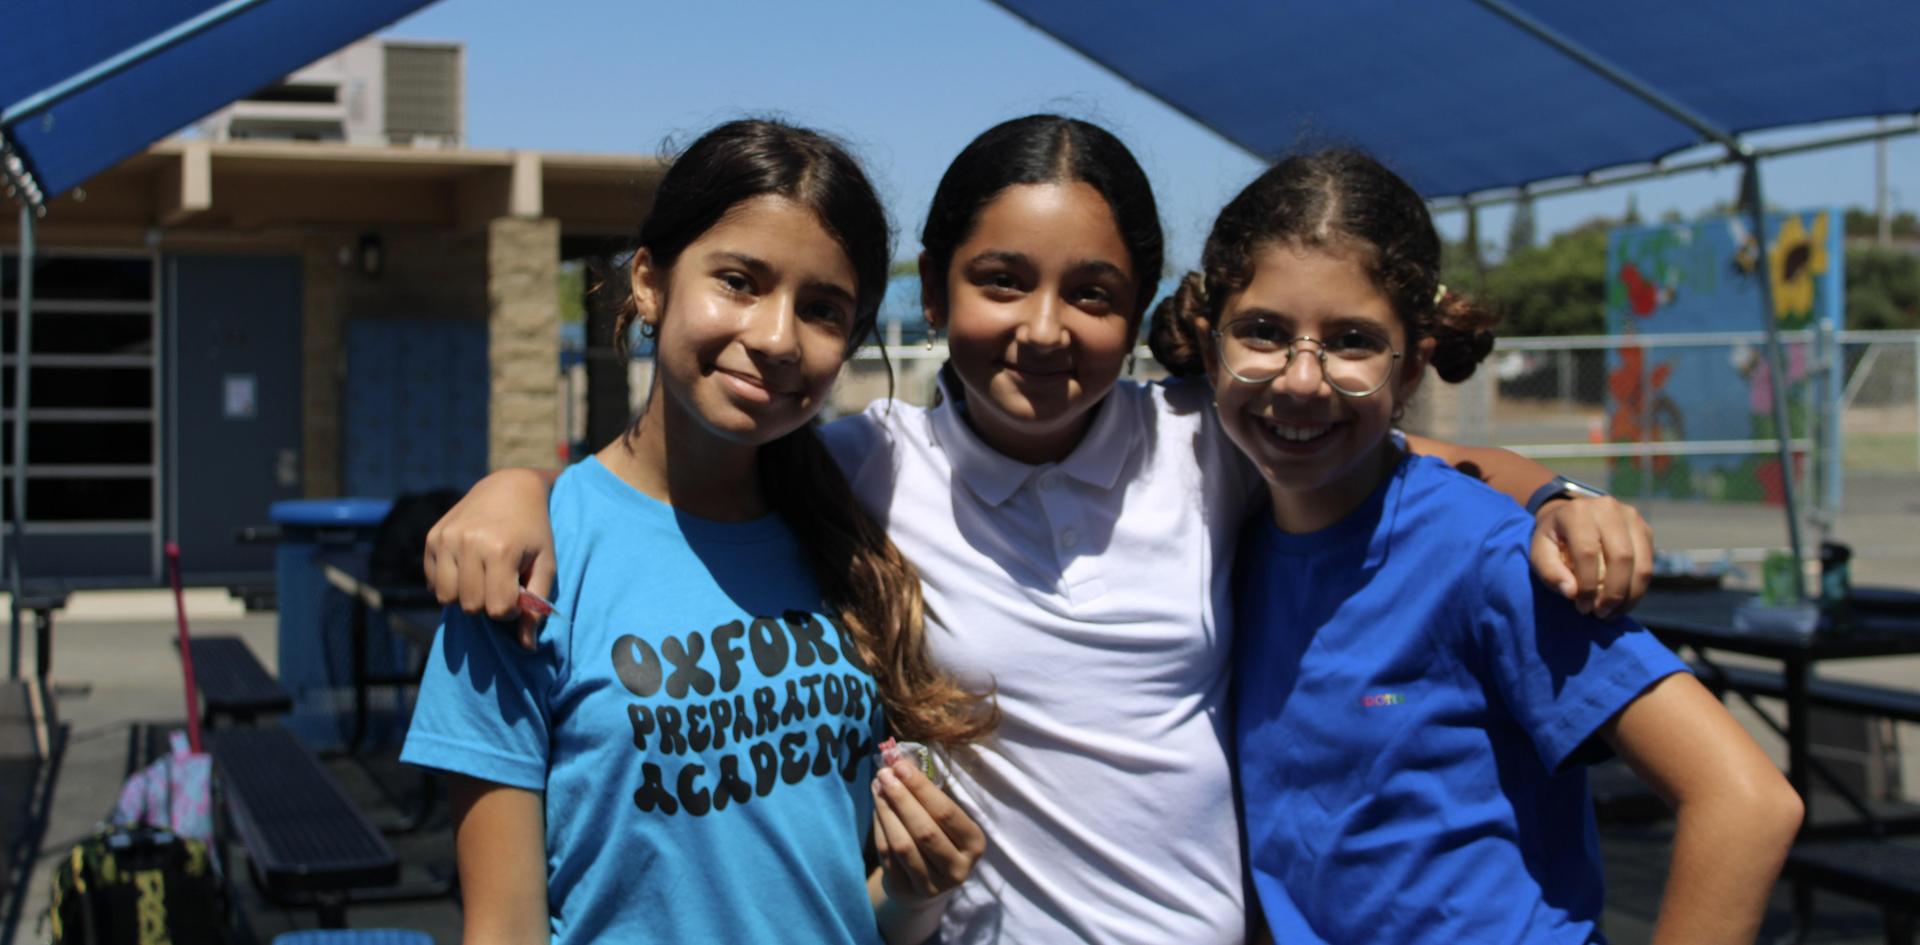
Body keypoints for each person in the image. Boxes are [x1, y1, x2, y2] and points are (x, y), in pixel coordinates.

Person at [420, 115, 1660, 944]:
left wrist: (1555, 496)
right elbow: (666, 484)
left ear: (1145, 312)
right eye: (1002, 279)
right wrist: (518, 487)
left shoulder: (1205, 444)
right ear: (935, 289)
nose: (1047, 330)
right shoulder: (860, 470)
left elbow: (1422, 463)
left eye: (1096, 293)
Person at [1153, 148, 1803, 944]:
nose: (1300, 379)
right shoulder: (1232, 526)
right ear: (1210, 339)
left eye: (1352, 341)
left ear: (1414, 362)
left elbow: (1746, 800)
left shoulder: (1488, 553)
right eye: (1262, 332)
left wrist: (1556, 497)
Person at [400, 119, 996, 945]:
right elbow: (502, 928)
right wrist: (515, 486)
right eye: (740, 281)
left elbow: (826, 908)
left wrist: (912, 890)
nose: (777, 337)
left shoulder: (852, 543)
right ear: (648, 281)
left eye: (822, 309)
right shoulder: (527, 562)